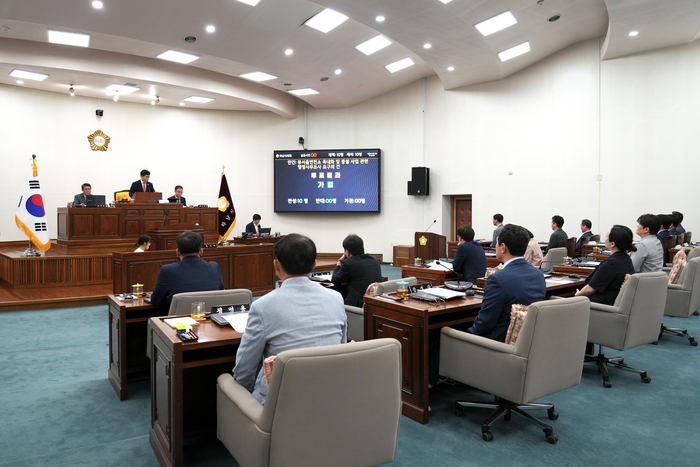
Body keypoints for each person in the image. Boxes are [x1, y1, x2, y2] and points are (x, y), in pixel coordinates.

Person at [233, 234, 347, 404]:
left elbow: (244, 370)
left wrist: (245, 398)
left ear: (276, 265)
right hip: (330, 395)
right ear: (314, 264)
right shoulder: (336, 298)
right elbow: (342, 349)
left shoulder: (262, 306)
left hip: (280, 402)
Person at [467, 224, 546, 342]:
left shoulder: (497, 279)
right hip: (528, 342)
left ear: (503, 247)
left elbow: (484, 323)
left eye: (497, 244)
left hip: (497, 346)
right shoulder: (539, 275)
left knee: (443, 334)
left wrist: (465, 334)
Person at [150, 231, 224, 306]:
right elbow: (220, 293)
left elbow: (156, 301)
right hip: (208, 315)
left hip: (179, 317)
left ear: (177, 252)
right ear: (201, 251)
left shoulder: (167, 270)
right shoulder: (214, 267)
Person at [575, 225, 636, 305]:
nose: (605, 239)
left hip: (598, 306)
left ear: (612, 244)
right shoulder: (627, 259)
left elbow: (590, 290)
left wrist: (577, 295)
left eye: (606, 236)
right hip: (612, 302)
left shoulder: (611, 263)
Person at [331, 234, 383, 307]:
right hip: (375, 301)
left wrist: (340, 262)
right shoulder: (375, 259)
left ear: (347, 252)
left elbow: (335, 280)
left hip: (357, 304)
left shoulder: (348, 263)